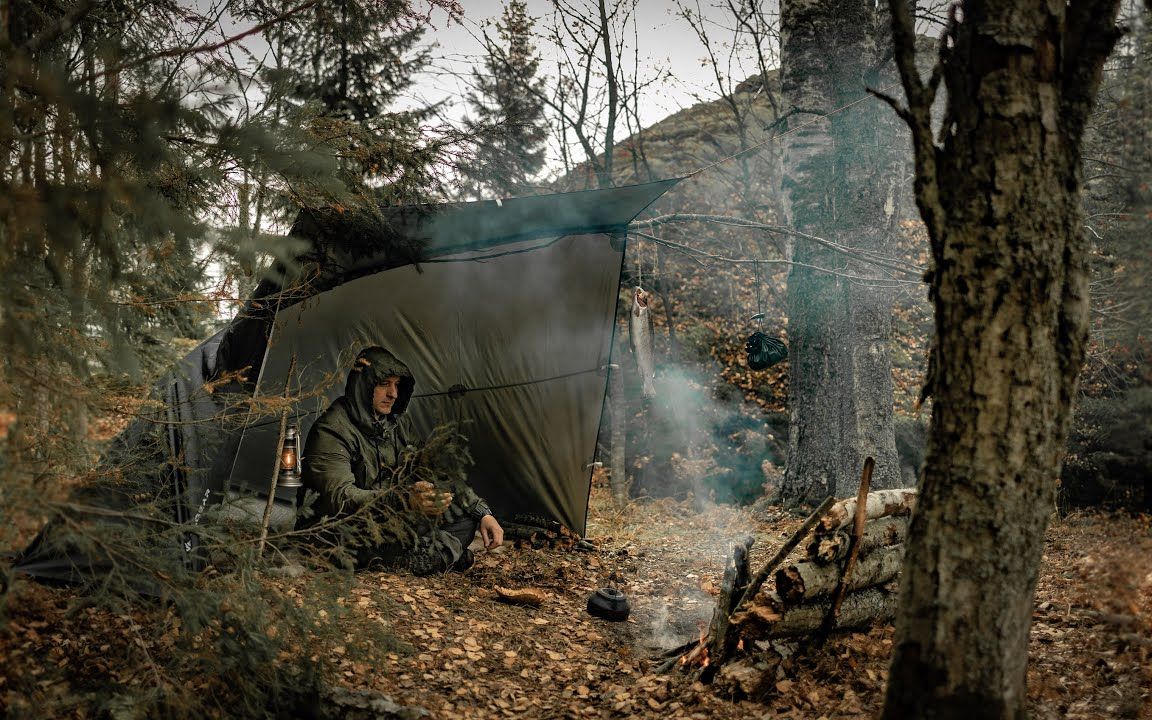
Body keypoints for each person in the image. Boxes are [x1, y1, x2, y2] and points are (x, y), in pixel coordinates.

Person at [297, 346, 503, 574]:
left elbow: (432, 472)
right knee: (349, 543)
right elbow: (339, 498)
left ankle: (426, 556)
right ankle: (440, 556)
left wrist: (483, 513)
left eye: (396, 385)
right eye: (384, 384)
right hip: (338, 533)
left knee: (464, 518)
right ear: (364, 386)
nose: (393, 394)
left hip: (386, 523)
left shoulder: (396, 424)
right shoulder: (332, 430)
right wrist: (403, 500)